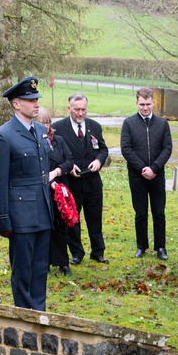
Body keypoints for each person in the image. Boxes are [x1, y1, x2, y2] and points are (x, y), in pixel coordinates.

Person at [0, 76, 54, 311]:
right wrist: (2, 218)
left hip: (43, 212)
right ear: (16, 104)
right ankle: (25, 317)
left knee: (40, 268)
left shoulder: (39, 129)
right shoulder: (3, 135)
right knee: (23, 271)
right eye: (30, 100)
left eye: (36, 99)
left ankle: (40, 314)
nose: (36, 104)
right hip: (21, 214)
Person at [52, 93, 108, 264]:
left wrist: (99, 161)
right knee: (72, 219)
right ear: (69, 108)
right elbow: (55, 154)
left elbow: (103, 149)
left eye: (83, 109)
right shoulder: (58, 128)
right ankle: (77, 252)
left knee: (95, 217)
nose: (80, 113)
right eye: (76, 109)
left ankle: (98, 252)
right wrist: (68, 167)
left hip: (92, 182)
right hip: (71, 183)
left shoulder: (95, 126)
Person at [120, 87, 173, 260]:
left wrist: (155, 168)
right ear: (136, 103)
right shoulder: (129, 123)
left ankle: (161, 247)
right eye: (142, 104)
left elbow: (167, 148)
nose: (145, 107)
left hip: (157, 176)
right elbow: (126, 149)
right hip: (137, 177)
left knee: (159, 212)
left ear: (153, 102)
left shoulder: (162, 124)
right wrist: (143, 168)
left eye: (148, 104)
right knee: (140, 213)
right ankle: (141, 245)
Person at [39, 106, 77, 276]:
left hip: (61, 190)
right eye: (42, 123)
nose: (45, 126)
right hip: (42, 191)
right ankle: (44, 262)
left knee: (61, 227)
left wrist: (57, 172)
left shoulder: (58, 141)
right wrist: (49, 182)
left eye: (47, 123)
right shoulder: (33, 142)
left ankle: (63, 263)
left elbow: (69, 160)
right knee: (45, 227)